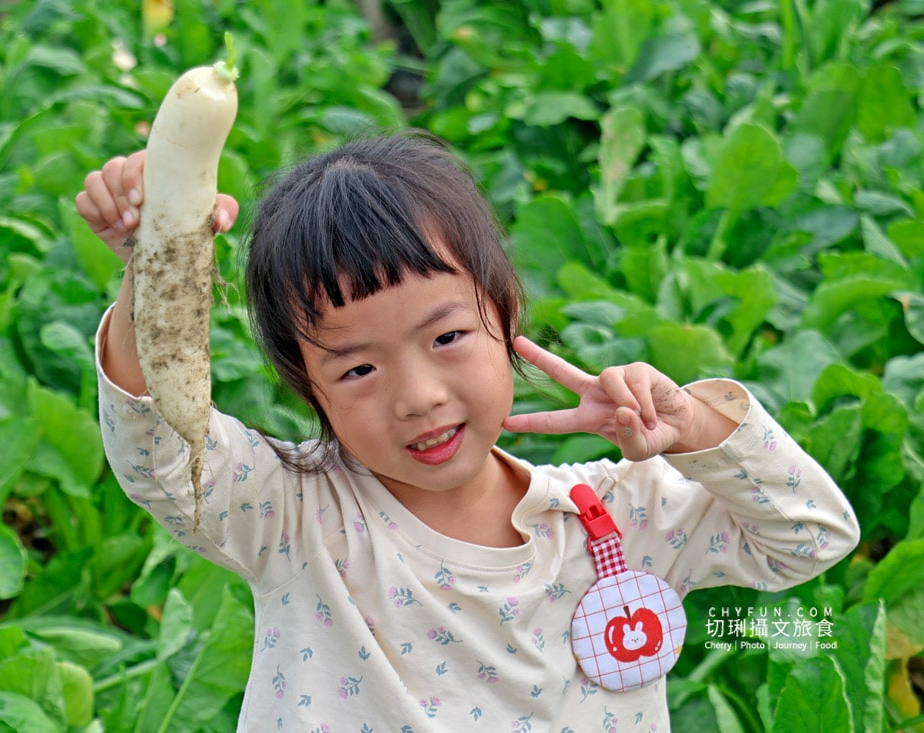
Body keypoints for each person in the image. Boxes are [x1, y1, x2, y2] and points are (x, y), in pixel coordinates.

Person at [76, 131, 859, 731]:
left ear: (506, 315)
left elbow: (810, 536)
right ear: (306, 388)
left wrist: (690, 426)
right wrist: (161, 264)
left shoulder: (615, 514)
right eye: (357, 370)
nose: (417, 396)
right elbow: (161, 453)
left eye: (446, 337)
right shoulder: (293, 515)